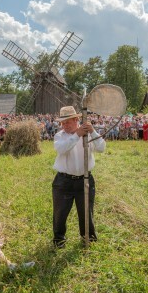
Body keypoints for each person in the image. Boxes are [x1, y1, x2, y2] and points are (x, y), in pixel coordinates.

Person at [52, 106, 106, 248]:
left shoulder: (88, 135)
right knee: (60, 213)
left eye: (68, 122)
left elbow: (101, 147)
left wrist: (92, 131)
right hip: (63, 182)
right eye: (63, 123)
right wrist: (77, 135)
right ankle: (59, 242)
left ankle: (89, 239)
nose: (65, 125)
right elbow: (61, 149)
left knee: (86, 212)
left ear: (76, 120)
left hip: (85, 180)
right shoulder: (60, 136)